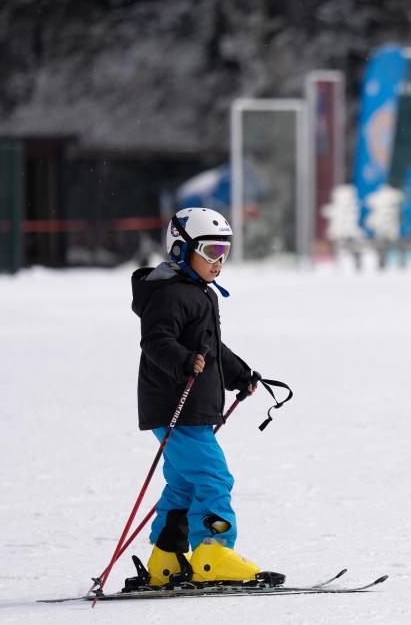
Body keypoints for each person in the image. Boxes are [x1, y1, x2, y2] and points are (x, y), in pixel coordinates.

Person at [130, 207, 264, 585]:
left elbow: (211, 347)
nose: (219, 262)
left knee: (185, 484)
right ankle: (212, 552)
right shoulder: (170, 295)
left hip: (192, 408)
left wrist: (239, 375)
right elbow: (156, 341)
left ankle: (166, 559)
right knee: (213, 478)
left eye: (225, 252)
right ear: (180, 249)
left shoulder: (198, 293)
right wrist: (184, 360)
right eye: (211, 251)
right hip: (176, 406)